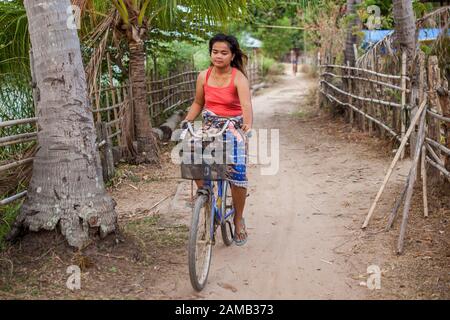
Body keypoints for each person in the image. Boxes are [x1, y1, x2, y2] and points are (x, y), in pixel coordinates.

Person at [181, 33, 253, 246]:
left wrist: (247, 126)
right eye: (215, 52)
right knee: (193, 160)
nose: (218, 56)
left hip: (233, 127)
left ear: (232, 55)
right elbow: (197, 103)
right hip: (209, 127)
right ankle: (208, 201)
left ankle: (238, 219)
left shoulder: (238, 77)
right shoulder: (203, 76)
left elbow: (246, 105)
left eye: (224, 52)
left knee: (237, 173)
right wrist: (187, 120)